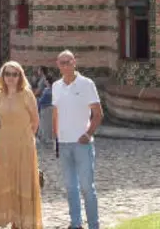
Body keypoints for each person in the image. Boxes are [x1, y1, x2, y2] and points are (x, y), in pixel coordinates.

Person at [0, 61, 43, 229]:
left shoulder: (26, 94)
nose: (11, 78)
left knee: (24, 180)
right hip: (5, 143)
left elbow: (35, 121)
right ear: (2, 76)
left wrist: (27, 139)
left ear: (20, 76)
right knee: (8, 180)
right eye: (8, 74)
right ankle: (13, 219)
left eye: (15, 74)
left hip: (24, 144)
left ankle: (23, 221)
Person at [52, 50, 102, 229]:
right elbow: (56, 113)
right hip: (64, 144)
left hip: (83, 144)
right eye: (62, 63)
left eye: (68, 62)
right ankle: (75, 223)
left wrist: (88, 134)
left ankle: (94, 225)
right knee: (70, 187)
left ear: (74, 62)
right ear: (58, 65)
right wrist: (56, 138)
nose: (65, 66)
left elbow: (98, 114)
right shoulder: (56, 86)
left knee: (87, 187)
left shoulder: (86, 84)